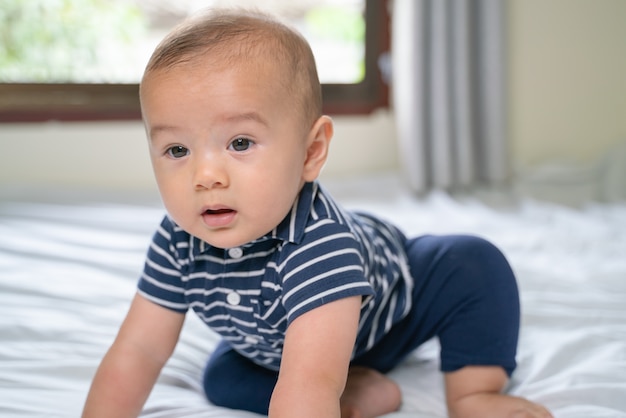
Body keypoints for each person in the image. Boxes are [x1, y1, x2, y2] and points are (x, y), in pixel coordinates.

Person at [82, 8, 553, 418]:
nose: (205, 175)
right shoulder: (177, 240)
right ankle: (358, 390)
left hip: (389, 313)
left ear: (311, 152)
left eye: (240, 143)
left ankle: (474, 392)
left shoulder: (318, 246)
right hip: (283, 343)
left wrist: (318, 388)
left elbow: (306, 384)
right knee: (222, 379)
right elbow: (139, 350)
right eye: (177, 149)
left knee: (473, 264)